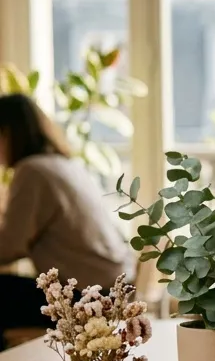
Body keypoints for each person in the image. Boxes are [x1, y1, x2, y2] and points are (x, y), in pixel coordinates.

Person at [0, 93, 134, 344]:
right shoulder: (64, 164)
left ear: (7, 134)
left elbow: (8, 247)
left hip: (88, 297)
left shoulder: (31, 171)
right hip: (113, 284)